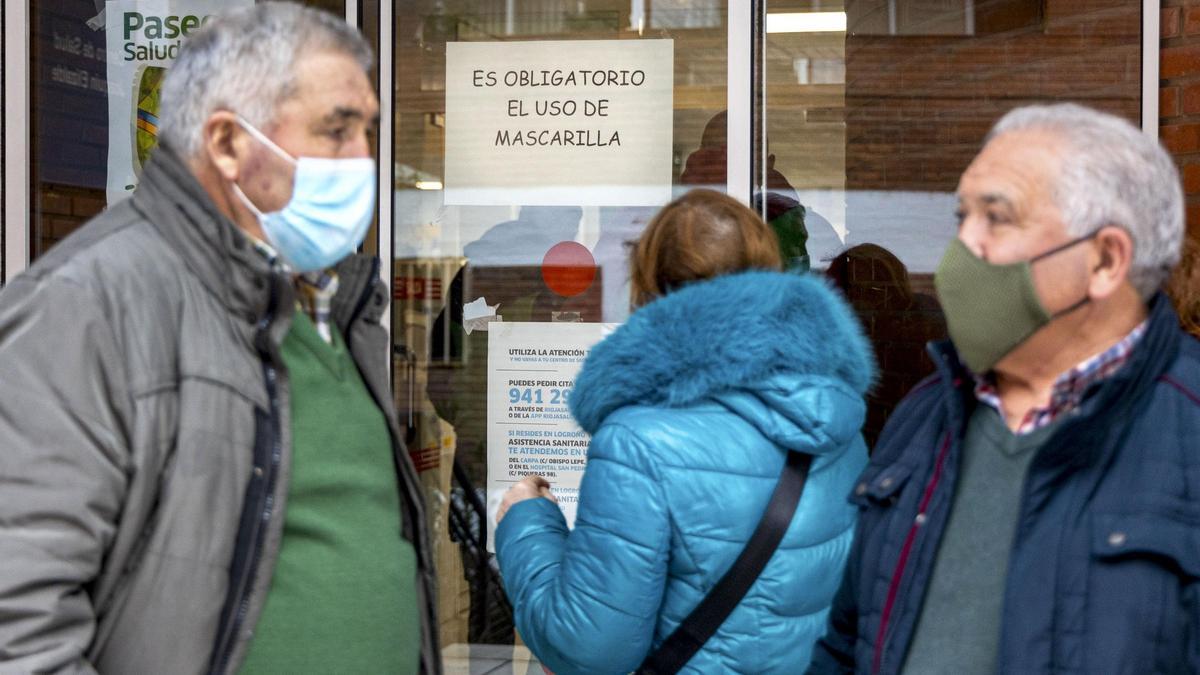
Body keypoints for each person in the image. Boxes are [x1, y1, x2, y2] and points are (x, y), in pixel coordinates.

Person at [0, 4, 438, 673]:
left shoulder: (337, 312)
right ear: (230, 143)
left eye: (368, 131)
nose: (364, 160)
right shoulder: (86, 304)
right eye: (337, 131)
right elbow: (18, 620)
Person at [808, 103, 1200, 675]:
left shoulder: (1186, 430)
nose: (960, 253)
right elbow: (847, 641)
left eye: (999, 219)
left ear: (1106, 259)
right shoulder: (925, 415)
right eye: (961, 219)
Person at [494, 189, 876, 673]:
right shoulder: (836, 419)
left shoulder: (637, 442)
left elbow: (590, 649)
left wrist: (527, 523)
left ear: (650, 284)